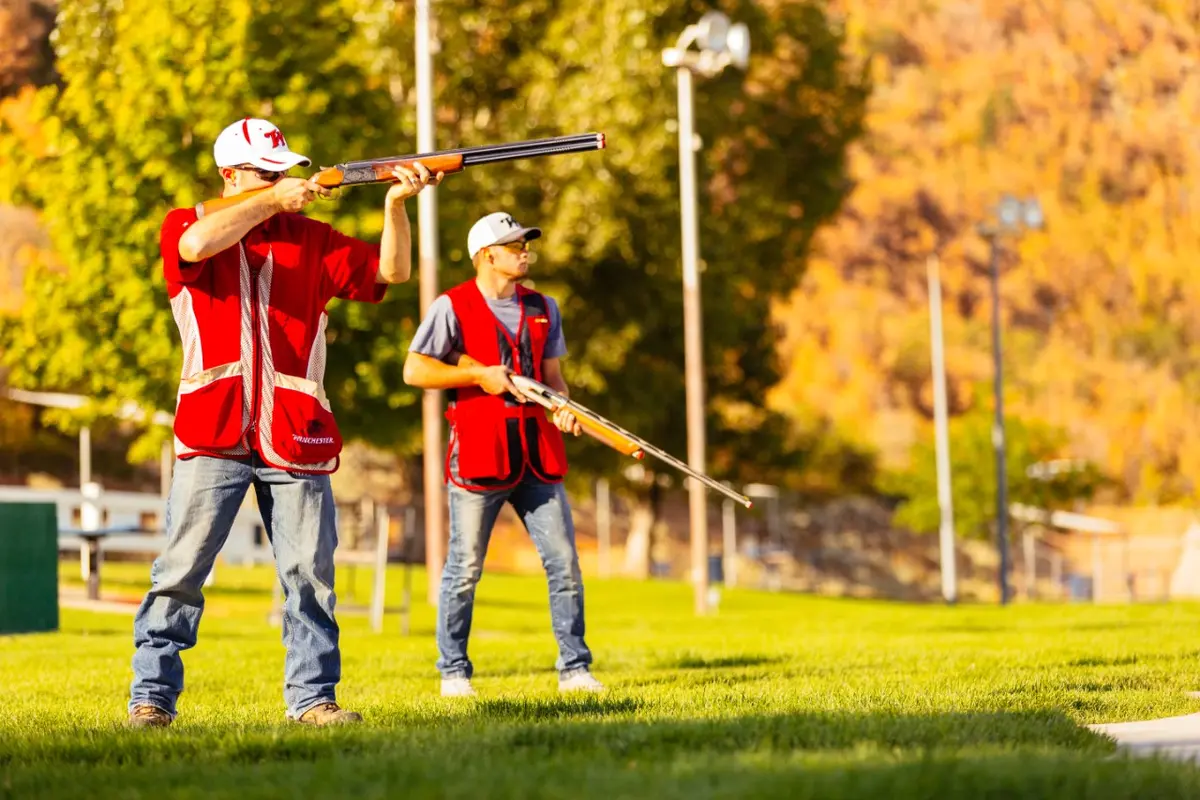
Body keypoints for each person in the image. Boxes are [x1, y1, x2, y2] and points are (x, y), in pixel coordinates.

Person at [127, 117, 441, 728]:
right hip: (212, 428)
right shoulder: (186, 224)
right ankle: (152, 699)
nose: (282, 179)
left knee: (310, 580)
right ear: (229, 175)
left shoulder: (313, 237)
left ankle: (313, 700)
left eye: (283, 170)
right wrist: (273, 198)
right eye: (266, 171)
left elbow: (391, 273)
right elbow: (195, 248)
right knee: (179, 574)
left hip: (296, 432)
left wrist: (396, 204)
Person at [403, 211, 604, 697]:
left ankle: (574, 668)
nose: (524, 251)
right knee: (464, 569)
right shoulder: (451, 307)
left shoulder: (544, 307)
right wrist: (477, 376)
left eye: (525, 243)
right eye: (514, 245)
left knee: (564, 563)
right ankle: (453, 672)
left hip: (539, 453)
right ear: (487, 255)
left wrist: (563, 409)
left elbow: (554, 378)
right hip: (479, 453)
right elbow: (415, 370)